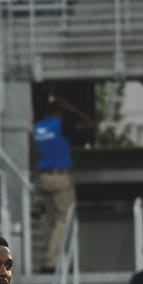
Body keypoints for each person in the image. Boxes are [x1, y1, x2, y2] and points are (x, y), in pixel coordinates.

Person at [32, 95, 86, 273]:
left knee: (51, 221)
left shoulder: (38, 127)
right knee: (65, 218)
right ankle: (51, 262)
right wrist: (71, 108)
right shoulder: (62, 125)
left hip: (43, 178)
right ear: (61, 112)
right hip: (60, 177)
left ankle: (49, 259)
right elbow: (92, 124)